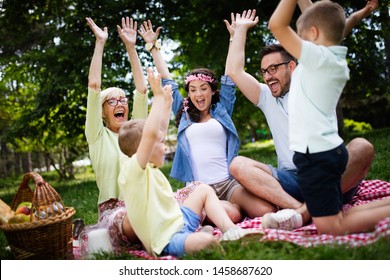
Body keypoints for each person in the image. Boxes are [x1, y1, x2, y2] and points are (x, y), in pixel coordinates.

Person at [225, 3, 377, 230]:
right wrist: (240, 32)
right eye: (264, 71)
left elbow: (323, 27)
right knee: (237, 164)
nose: (268, 77)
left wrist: (362, 13)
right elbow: (234, 71)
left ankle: (302, 214)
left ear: (293, 66)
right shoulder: (266, 97)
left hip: (331, 176)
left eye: (274, 68)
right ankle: (301, 210)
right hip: (293, 181)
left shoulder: (313, 79)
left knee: (362, 147)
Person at [267, 0, 390, 235]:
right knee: (336, 214)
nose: (298, 43)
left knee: (331, 226)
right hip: (326, 152)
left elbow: (277, 25)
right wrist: (360, 14)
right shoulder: (331, 58)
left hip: (317, 157)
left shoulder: (318, 59)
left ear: (313, 35)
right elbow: (340, 26)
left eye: (301, 36)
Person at [137, 20, 277, 221]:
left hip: (228, 183)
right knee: (233, 215)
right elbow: (168, 80)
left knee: (266, 211)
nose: (198, 94)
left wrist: (234, 37)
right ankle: (221, 210)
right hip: (199, 188)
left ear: (212, 91)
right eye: (193, 90)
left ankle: (222, 209)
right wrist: (153, 47)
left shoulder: (222, 109)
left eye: (203, 88)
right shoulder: (183, 112)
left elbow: (231, 74)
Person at [117, 68, 259, 257]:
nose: (164, 146)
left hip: (180, 219)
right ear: (144, 150)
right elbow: (151, 134)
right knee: (206, 242)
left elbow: (158, 130)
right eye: (159, 144)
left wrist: (167, 102)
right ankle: (204, 236)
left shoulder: (149, 167)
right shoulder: (133, 171)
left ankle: (231, 230)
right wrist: (157, 96)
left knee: (203, 189)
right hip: (166, 238)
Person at [85, 16, 148, 246]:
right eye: (111, 101)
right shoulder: (97, 136)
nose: (119, 103)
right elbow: (94, 86)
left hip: (143, 202)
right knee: (139, 220)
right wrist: (100, 43)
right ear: (101, 112)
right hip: (115, 212)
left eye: (123, 99)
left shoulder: (135, 130)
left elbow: (141, 89)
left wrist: (131, 47)